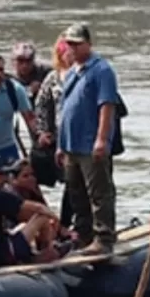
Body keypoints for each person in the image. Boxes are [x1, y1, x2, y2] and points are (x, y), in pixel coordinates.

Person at [58, 23, 121, 255]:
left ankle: (103, 237)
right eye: (69, 44)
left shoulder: (101, 70)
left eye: (77, 44)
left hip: (89, 142)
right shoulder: (73, 71)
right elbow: (64, 109)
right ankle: (84, 236)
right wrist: (60, 145)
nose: (72, 48)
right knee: (76, 192)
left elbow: (107, 105)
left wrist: (102, 139)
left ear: (88, 44)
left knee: (99, 192)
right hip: (70, 143)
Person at [0, 157, 61, 268]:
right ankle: (47, 251)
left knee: (22, 226)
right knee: (42, 217)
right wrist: (56, 219)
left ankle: (39, 251)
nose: (4, 178)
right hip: (3, 253)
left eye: (6, 174)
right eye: (0, 174)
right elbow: (38, 208)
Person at [33, 38, 77, 228]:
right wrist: (43, 131)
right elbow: (41, 106)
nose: (72, 56)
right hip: (61, 138)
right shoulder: (53, 77)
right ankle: (64, 225)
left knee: (78, 184)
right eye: (68, 52)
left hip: (81, 136)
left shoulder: (85, 75)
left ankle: (80, 225)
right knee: (70, 181)